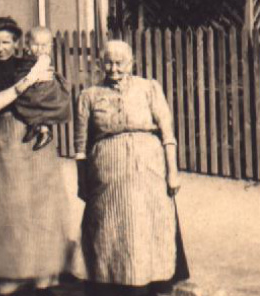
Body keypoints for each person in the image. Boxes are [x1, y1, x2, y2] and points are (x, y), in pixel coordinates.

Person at [75, 40, 189, 296]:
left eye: (120, 63)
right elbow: (81, 147)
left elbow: (168, 134)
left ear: (132, 63)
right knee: (108, 228)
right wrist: (81, 182)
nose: (114, 69)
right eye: (108, 62)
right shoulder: (88, 96)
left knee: (148, 224)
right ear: (100, 63)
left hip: (148, 169)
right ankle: (110, 281)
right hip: (107, 172)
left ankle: (151, 282)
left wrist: (173, 172)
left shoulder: (149, 88)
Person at [0, 17, 70, 295]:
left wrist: (45, 121)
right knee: (10, 208)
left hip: (37, 137)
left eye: (7, 41)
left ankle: (44, 270)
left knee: (43, 205)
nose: (1, 47)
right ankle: (13, 270)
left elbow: (50, 96)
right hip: (6, 140)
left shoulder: (30, 62)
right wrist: (28, 82)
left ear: (17, 43)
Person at [15, 26, 71, 151]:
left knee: (30, 101)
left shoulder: (43, 59)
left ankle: (42, 130)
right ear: (28, 45)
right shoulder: (30, 57)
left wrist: (26, 81)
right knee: (29, 103)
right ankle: (36, 126)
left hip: (42, 86)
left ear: (50, 47)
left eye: (44, 46)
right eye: (35, 45)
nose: (40, 49)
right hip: (37, 83)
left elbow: (34, 73)